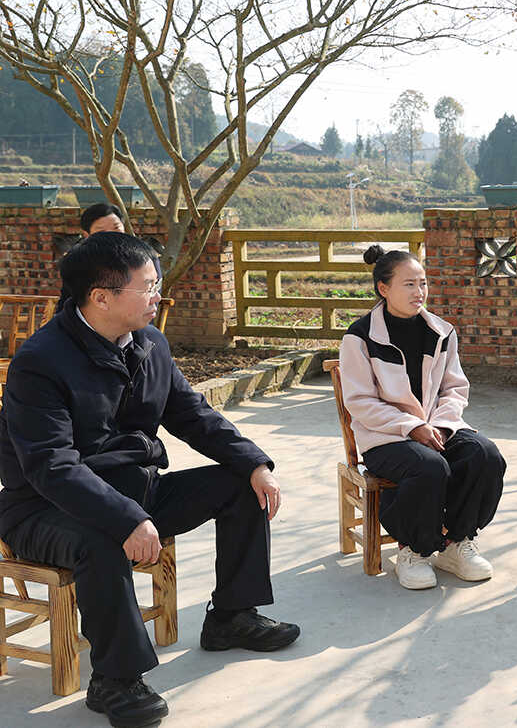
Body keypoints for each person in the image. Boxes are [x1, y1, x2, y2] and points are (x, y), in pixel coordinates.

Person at [0, 233, 300, 728]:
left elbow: (192, 415)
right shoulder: (41, 361)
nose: (158, 296)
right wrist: (126, 518)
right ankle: (115, 680)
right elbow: (52, 466)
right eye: (148, 286)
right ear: (101, 297)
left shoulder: (149, 343)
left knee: (240, 485)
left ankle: (232, 616)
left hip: (136, 491)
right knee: (102, 539)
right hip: (45, 507)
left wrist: (254, 463)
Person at [338, 244, 506, 590]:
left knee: (485, 455)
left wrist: (441, 425)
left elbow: (455, 388)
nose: (420, 292)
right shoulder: (360, 337)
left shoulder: (441, 332)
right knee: (429, 467)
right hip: (385, 436)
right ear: (383, 288)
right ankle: (414, 549)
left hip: (437, 427)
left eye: (423, 283)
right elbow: (360, 402)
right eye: (409, 284)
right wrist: (412, 427)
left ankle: (456, 542)